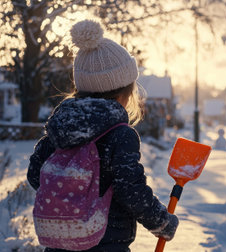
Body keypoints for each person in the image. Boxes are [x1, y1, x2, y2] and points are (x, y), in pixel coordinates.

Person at [27, 19, 178, 251]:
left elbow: (35, 174)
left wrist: (68, 201)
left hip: (58, 242)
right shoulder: (119, 135)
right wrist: (161, 221)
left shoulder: (60, 126)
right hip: (106, 242)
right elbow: (130, 188)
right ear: (126, 92)